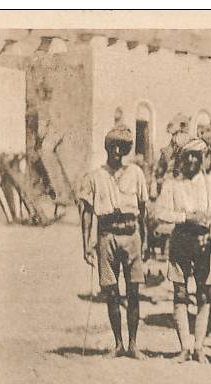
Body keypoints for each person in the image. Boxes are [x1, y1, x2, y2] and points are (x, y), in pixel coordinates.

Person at [155, 138, 211, 364]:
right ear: (181, 158)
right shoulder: (171, 185)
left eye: (196, 156)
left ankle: (199, 347)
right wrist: (186, 217)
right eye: (187, 155)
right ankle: (184, 347)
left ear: (202, 158)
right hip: (181, 241)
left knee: (205, 294)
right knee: (180, 293)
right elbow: (160, 213)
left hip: (204, 242)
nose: (191, 160)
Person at [79, 124, 149, 359]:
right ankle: (118, 343)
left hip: (131, 235)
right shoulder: (95, 176)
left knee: (133, 291)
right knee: (111, 292)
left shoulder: (136, 173)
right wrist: (86, 244)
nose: (117, 150)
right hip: (106, 235)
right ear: (107, 147)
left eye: (122, 146)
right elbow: (87, 212)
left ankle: (133, 344)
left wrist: (145, 241)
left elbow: (143, 209)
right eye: (113, 146)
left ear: (128, 149)